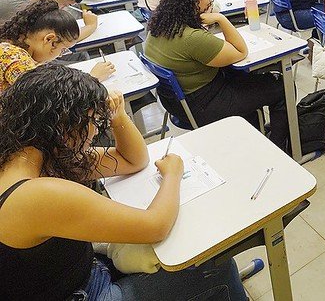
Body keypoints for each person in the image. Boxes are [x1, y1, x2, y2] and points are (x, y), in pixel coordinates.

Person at [0, 65, 247, 300]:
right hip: (87, 291)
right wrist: (173, 175)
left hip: (76, 273)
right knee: (216, 266)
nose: (94, 132)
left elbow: (132, 160)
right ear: (65, 127)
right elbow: (155, 225)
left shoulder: (25, 155)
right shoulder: (36, 195)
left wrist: (118, 116)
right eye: (91, 122)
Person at [144, 0, 290, 150]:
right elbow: (241, 51)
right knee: (281, 86)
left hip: (176, 104)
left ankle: (254, 134)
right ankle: (279, 147)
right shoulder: (191, 37)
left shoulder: (159, 26)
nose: (210, 2)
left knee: (245, 78)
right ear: (196, 0)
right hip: (203, 105)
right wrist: (221, 19)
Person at [0, 0, 112, 90]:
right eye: (63, 50)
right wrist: (92, 79)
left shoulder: (16, 42)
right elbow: (44, 97)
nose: (60, 55)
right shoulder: (14, 57)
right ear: (49, 40)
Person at [0, 0, 98, 42]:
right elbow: (57, 42)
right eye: (64, 5)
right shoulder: (22, 6)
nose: (61, 9)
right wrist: (90, 26)